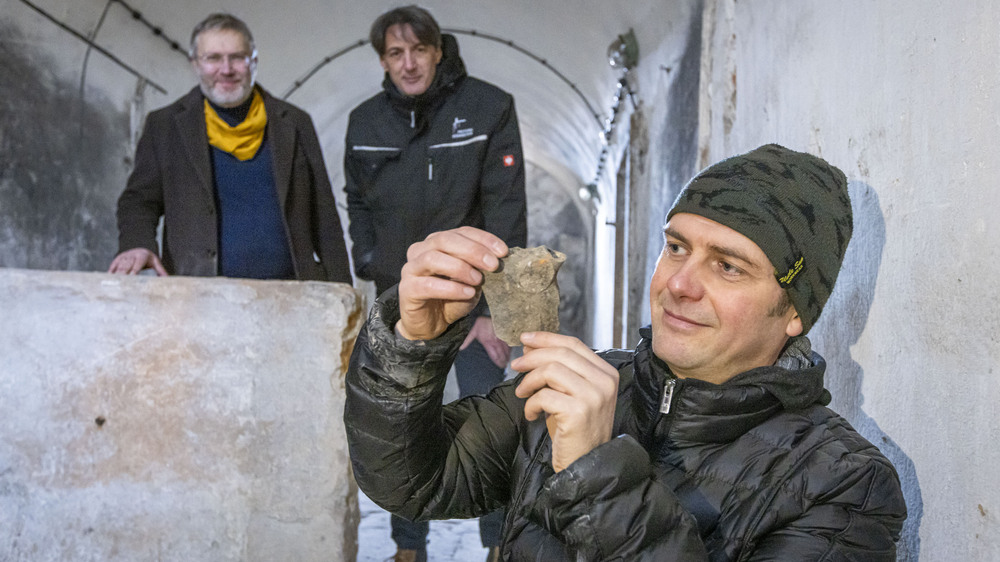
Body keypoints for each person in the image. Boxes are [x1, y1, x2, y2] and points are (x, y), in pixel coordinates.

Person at [344, 144, 907, 560]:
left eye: (728, 266)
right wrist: (409, 345)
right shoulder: (583, 382)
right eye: (676, 247)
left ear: (795, 312)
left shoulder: (844, 485)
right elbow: (411, 482)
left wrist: (595, 474)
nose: (679, 284)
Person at [343, 6, 527, 560]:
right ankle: (407, 546)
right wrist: (374, 264)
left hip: (472, 307)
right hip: (402, 305)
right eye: (395, 54)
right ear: (383, 60)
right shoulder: (364, 121)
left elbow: (506, 210)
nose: (408, 63)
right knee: (403, 422)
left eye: (418, 50)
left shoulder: (488, 107)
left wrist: (497, 312)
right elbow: (357, 204)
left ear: (438, 50)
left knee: (488, 425)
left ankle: (496, 544)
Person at [109, 13, 351, 283]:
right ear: (195, 64)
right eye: (212, 58)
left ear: (254, 62)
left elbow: (324, 215)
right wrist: (137, 243)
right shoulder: (165, 126)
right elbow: (139, 200)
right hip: (198, 297)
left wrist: (343, 291)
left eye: (237, 57)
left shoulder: (294, 122)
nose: (226, 69)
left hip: (292, 296)